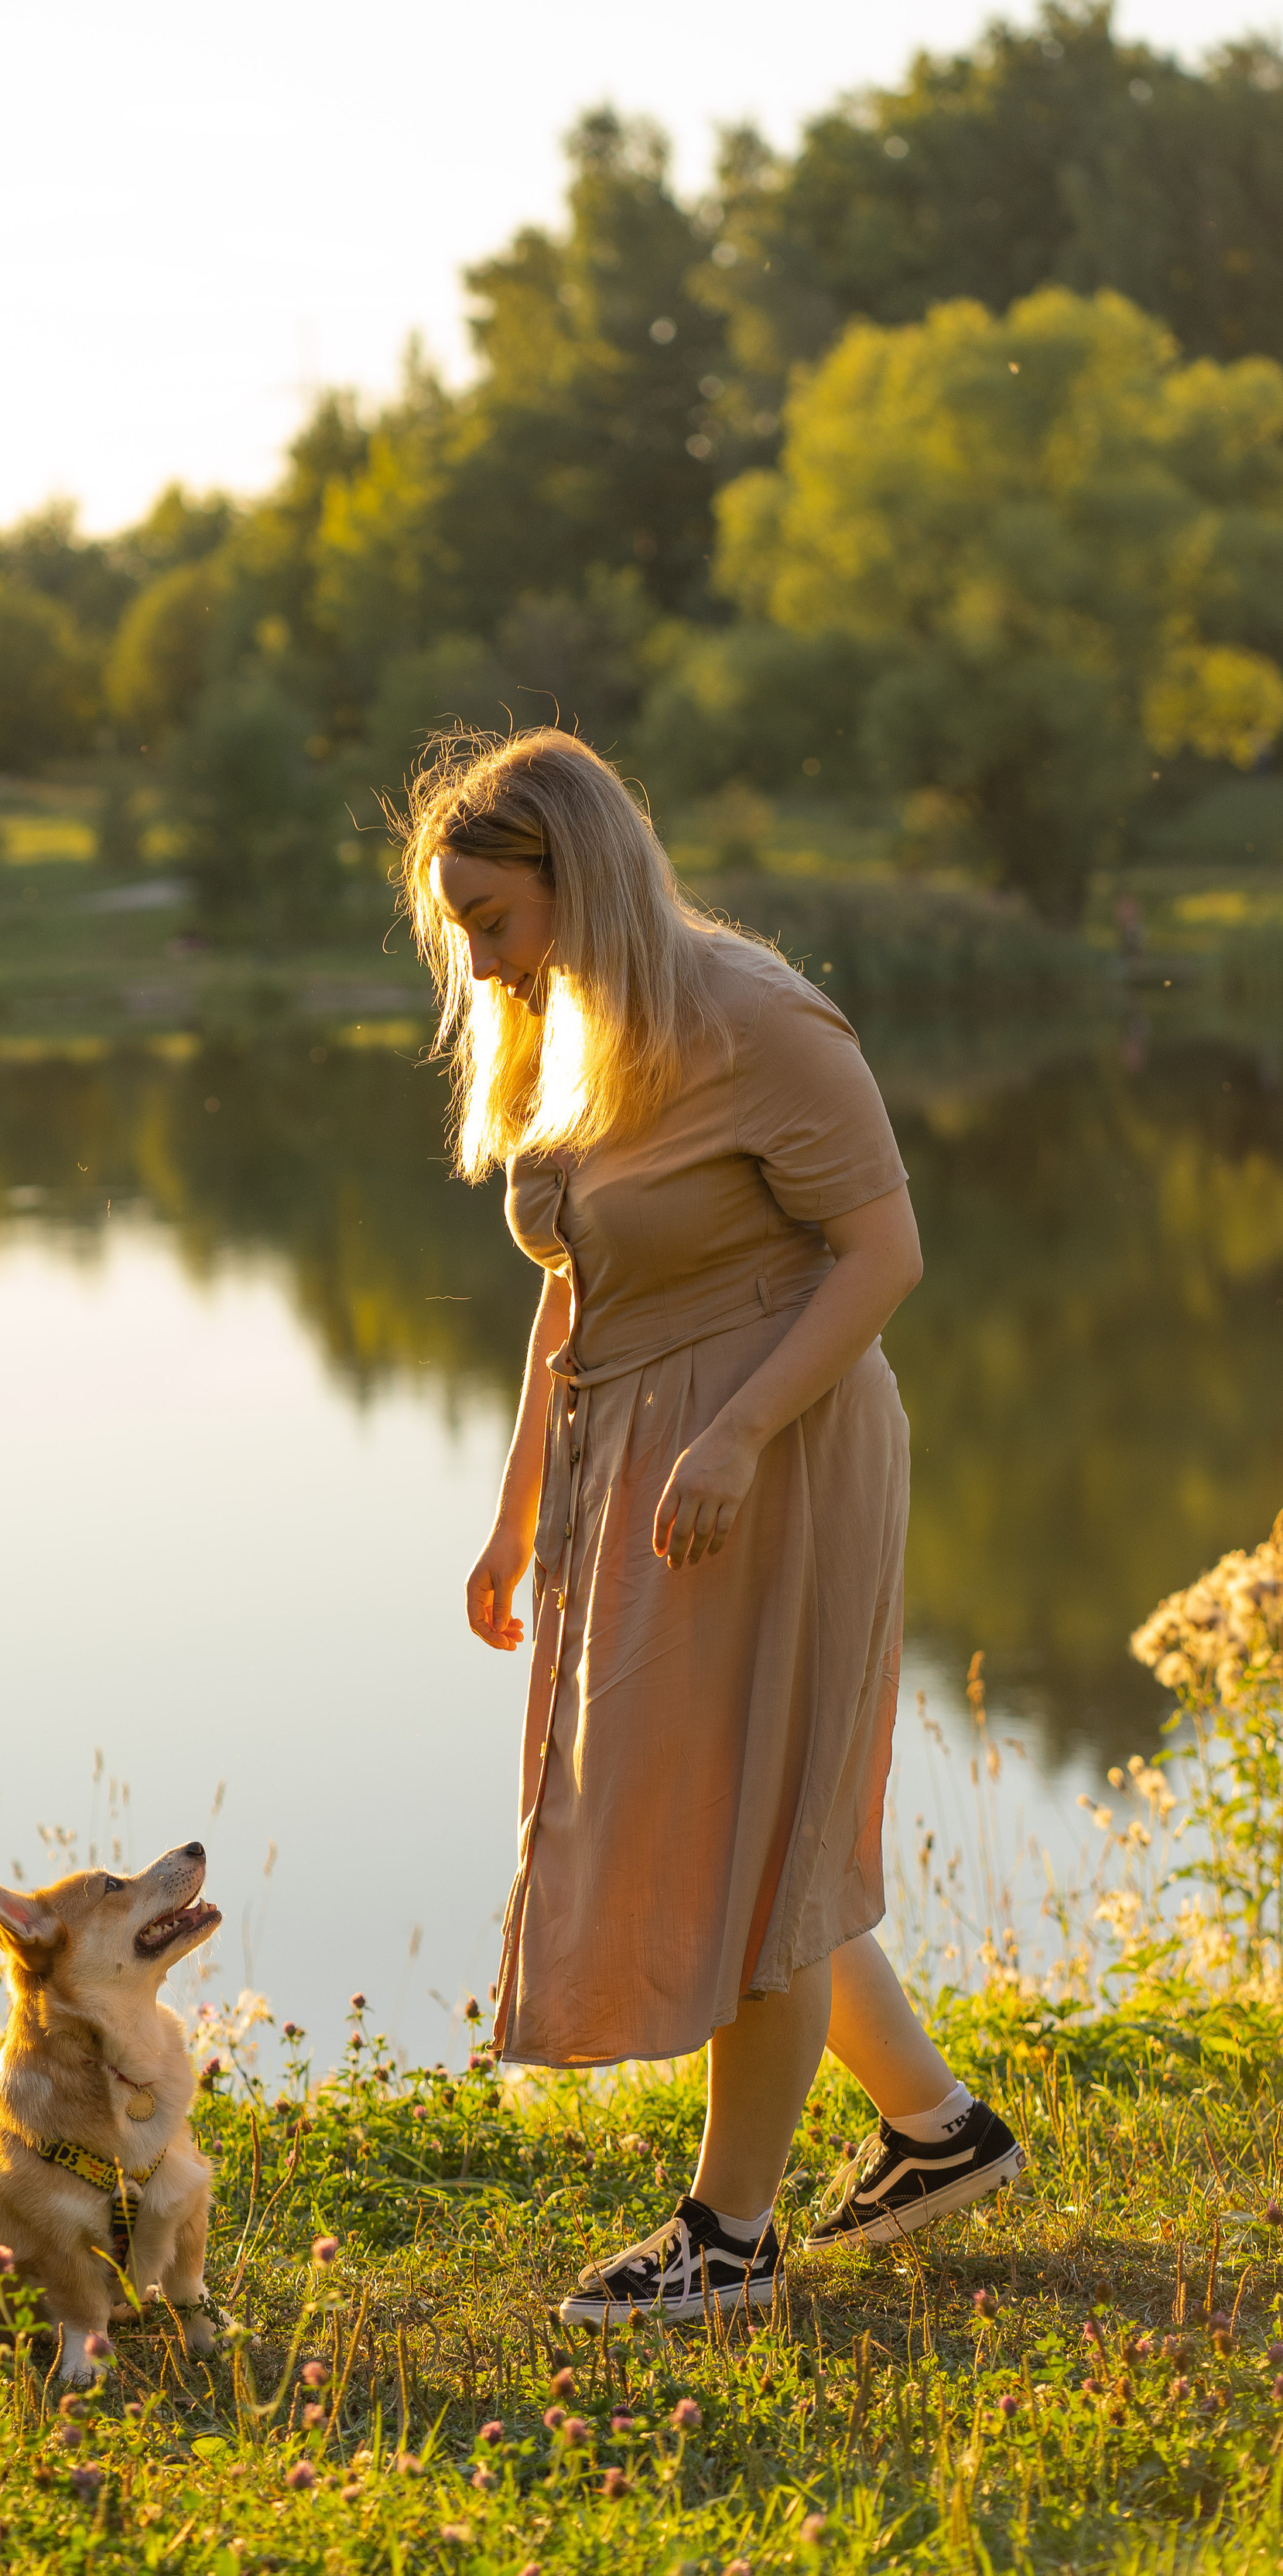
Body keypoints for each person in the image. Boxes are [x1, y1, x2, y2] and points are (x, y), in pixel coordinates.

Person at [401, 728, 1022, 2325]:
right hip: (643, 1453)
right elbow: (575, 1290)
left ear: (579, 878)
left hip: (778, 1451)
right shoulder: (567, 1027)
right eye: (454, 921)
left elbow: (879, 1254)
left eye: (490, 916)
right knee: (719, 1813)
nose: (474, 954)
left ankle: (726, 2238)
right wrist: (510, 1510)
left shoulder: (754, 1020)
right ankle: (938, 2134)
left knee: (763, 1826)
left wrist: (741, 1435)